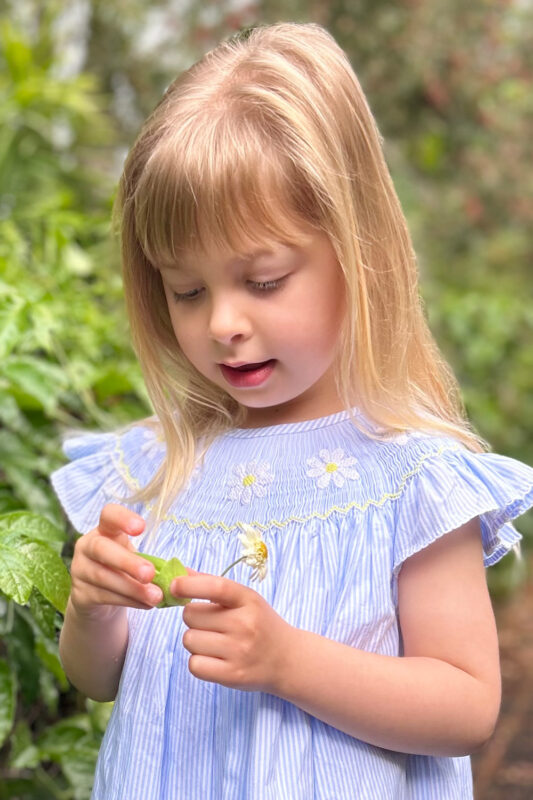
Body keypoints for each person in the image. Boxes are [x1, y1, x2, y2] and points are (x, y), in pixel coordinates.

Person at [51, 21, 533, 800]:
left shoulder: (407, 477)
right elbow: (100, 680)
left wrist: (287, 662)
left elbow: (466, 703)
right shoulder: (161, 463)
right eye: (186, 290)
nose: (222, 323)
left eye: (264, 281)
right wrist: (94, 609)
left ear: (357, 249)